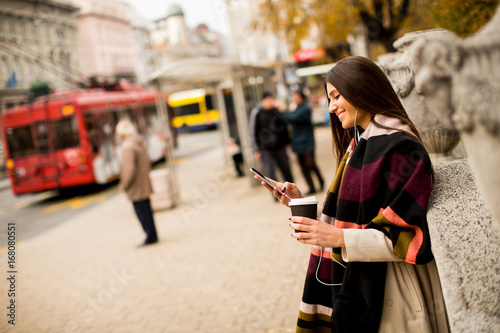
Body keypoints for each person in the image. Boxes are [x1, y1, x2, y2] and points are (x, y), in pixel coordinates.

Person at [257, 56, 449, 332]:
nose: (332, 107)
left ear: (361, 88)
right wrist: (297, 200)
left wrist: (337, 237)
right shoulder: (360, 144)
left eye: (336, 96)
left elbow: (409, 237)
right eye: (329, 99)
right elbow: (355, 216)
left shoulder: (400, 148)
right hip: (365, 281)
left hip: (396, 291)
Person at [116, 119, 159, 246]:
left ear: (121, 134)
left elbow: (129, 170)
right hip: (144, 182)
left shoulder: (127, 147)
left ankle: (150, 237)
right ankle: (152, 235)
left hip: (136, 187)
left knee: (142, 213)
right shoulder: (139, 142)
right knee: (147, 211)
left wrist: (124, 185)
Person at [281, 90, 324, 195]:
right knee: (303, 167)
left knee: (310, 163)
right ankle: (311, 187)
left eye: (296, 97)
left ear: (302, 97)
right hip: (297, 142)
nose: (295, 99)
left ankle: (321, 181)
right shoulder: (295, 108)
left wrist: (284, 110)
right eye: (293, 97)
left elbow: (295, 117)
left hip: (307, 141)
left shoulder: (305, 108)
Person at [249, 91, 294, 184]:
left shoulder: (276, 110)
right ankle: (275, 193)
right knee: (269, 171)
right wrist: (256, 149)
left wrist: (287, 141)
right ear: (263, 101)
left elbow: (284, 126)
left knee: (286, 168)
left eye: (271, 100)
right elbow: (252, 131)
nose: (270, 102)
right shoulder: (256, 112)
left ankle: (290, 189)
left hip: (279, 145)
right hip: (265, 148)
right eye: (268, 100)